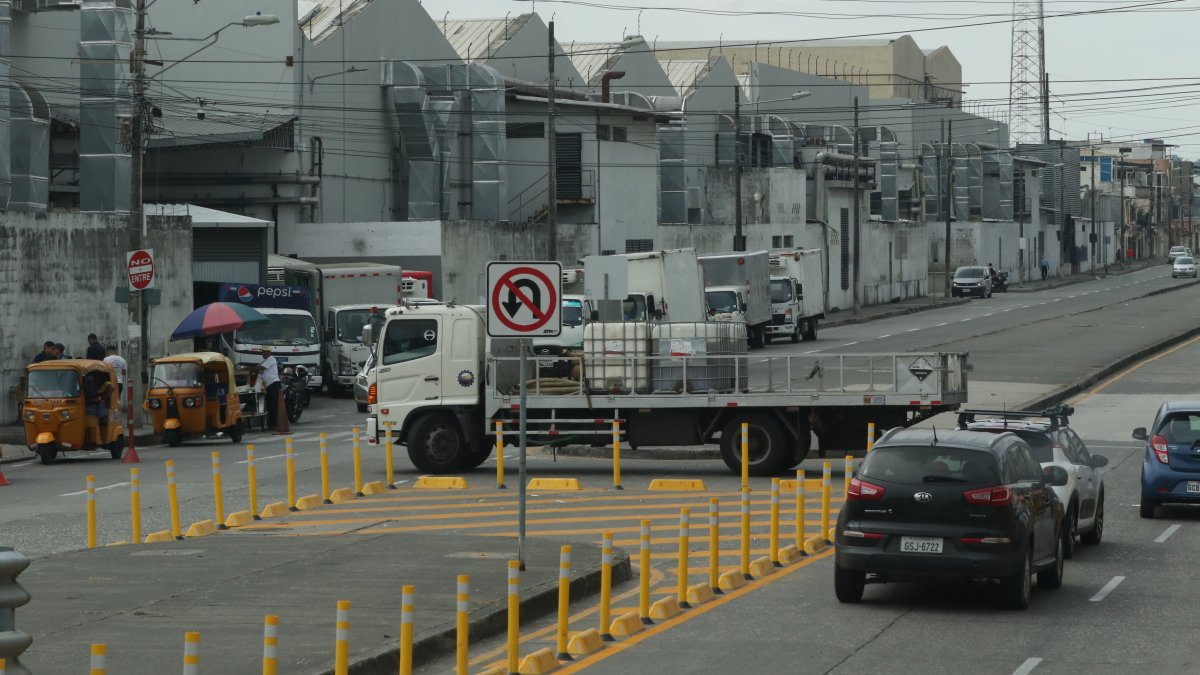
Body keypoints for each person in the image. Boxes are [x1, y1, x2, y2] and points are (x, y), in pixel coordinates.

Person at [255, 347, 281, 430]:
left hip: (274, 384)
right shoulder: (265, 361)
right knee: (270, 405)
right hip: (269, 386)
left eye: (263, 352)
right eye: (262, 351)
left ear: (268, 352)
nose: (262, 353)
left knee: (273, 405)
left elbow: (260, 368)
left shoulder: (271, 359)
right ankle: (271, 423)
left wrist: (245, 369)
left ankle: (274, 424)